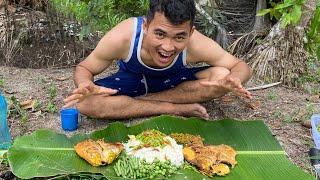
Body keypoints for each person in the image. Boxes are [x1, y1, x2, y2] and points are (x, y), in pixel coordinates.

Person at [63, 0, 252, 120]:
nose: (168, 47)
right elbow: (85, 67)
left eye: (179, 37)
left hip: (174, 83)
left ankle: (131, 104)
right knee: (86, 102)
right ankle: (174, 108)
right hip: (134, 81)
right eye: (160, 34)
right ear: (146, 26)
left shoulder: (196, 43)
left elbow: (239, 66)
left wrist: (234, 79)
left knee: (222, 74)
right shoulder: (123, 37)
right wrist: (85, 84)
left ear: (190, 32)